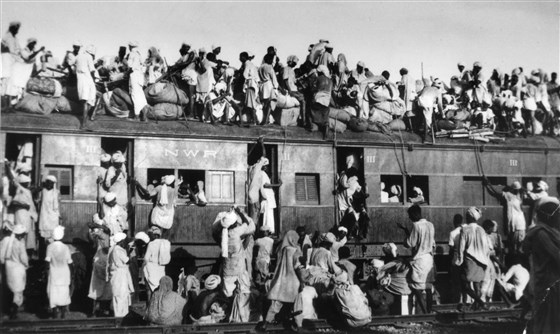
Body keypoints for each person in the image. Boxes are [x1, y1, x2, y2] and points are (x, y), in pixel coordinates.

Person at [522, 196, 560, 334]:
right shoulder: (541, 234)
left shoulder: (550, 233)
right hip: (548, 287)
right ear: (550, 216)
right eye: (558, 214)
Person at [212, 207, 255, 321]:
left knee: (228, 295)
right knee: (242, 294)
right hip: (239, 271)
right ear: (235, 223)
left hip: (227, 271)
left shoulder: (222, 235)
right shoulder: (237, 232)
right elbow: (250, 226)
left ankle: (228, 316)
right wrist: (241, 212)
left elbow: (214, 232)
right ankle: (239, 317)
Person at [258, 230, 302, 331]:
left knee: (276, 303)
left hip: (281, 279)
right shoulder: (295, 250)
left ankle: (265, 323)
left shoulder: (281, 249)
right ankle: (295, 324)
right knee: (295, 303)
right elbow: (297, 266)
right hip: (293, 280)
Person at [397, 204, 434, 314]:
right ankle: (430, 312)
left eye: (409, 215)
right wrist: (406, 230)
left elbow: (410, 243)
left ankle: (425, 313)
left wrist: (405, 238)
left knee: (416, 288)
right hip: (429, 258)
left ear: (413, 214)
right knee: (428, 288)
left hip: (419, 259)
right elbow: (421, 240)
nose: (409, 218)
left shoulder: (416, 225)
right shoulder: (430, 225)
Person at [455, 207, 490, 311]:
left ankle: (480, 303)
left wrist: (459, 261)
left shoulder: (465, 229)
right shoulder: (482, 230)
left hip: (469, 259)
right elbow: (486, 247)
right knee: (477, 285)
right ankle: (477, 308)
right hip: (482, 260)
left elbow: (461, 247)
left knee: (465, 285)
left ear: (470, 217)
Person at [483, 177, 526, 255]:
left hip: (516, 224)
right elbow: (495, 193)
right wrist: (488, 185)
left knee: (514, 247)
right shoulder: (518, 196)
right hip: (518, 224)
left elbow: (495, 192)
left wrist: (488, 184)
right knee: (516, 247)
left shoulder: (511, 195)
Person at [6, 167, 38, 251]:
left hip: (27, 215)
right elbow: (14, 202)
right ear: (23, 183)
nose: (28, 184)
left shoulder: (26, 190)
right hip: (21, 214)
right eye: (27, 183)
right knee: (21, 232)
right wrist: (23, 206)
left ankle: (25, 254)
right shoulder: (19, 189)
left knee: (27, 234)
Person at [0, 224, 28, 319]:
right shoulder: (20, 244)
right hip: (18, 269)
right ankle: (14, 311)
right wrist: (26, 265)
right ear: (20, 235)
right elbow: (23, 258)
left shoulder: (8, 241)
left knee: (10, 289)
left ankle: (9, 310)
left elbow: (2, 256)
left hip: (9, 268)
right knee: (18, 291)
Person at [5, 37, 44, 103]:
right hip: (17, 70)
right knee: (12, 87)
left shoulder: (33, 53)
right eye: (32, 44)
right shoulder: (23, 51)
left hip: (24, 73)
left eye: (34, 44)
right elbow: (28, 58)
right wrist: (39, 51)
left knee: (20, 88)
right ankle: (8, 106)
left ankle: (12, 105)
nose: (33, 45)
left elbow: (33, 63)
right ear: (28, 44)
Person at [45, 226, 72, 319]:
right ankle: (63, 313)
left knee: (53, 292)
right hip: (64, 273)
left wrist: (45, 271)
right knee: (64, 292)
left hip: (54, 273)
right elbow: (70, 262)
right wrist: (72, 274)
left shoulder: (50, 247)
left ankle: (55, 313)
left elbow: (47, 261)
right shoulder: (66, 247)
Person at [87, 216, 112, 317]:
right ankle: (98, 310)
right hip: (100, 262)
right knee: (99, 286)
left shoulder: (105, 235)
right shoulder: (101, 236)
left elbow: (92, 229)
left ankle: (100, 309)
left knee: (100, 286)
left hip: (102, 261)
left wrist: (96, 227)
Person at [107, 232, 134, 317]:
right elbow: (127, 260)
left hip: (117, 274)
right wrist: (130, 254)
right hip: (120, 275)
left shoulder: (114, 249)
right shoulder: (118, 250)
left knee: (119, 295)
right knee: (121, 295)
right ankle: (120, 315)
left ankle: (120, 314)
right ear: (121, 241)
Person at [143, 226, 171, 303]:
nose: (149, 236)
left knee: (149, 292)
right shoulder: (166, 243)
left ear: (155, 235)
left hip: (151, 270)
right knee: (160, 290)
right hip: (161, 270)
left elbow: (146, 258)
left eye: (150, 234)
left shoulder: (151, 244)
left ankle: (149, 310)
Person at [126, 41, 150, 121]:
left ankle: (136, 116)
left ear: (130, 47)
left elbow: (130, 66)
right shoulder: (139, 54)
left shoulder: (132, 54)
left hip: (134, 75)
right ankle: (144, 116)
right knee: (140, 95)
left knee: (135, 95)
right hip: (140, 76)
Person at [75, 44, 98, 128]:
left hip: (80, 80)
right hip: (87, 80)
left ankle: (84, 121)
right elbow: (92, 70)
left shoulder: (78, 56)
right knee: (88, 101)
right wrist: (94, 80)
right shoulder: (89, 57)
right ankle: (83, 124)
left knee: (85, 101)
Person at [282, 55, 306, 126]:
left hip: (294, 89)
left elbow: (294, 81)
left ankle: (302, 119)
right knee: (303, 101)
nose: (295, 64)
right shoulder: (286, 69)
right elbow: (285, 80)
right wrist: (290, 91)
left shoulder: (292, 70)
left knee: (304, 98)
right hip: (291, 90)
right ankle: (304, 121)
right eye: (294, 63)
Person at [448, 214, 467, 304]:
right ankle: (465, 301)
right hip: (465, 260)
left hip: (456, 260)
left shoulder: (452, 233)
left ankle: (458, 301)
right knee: (465, 282)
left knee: (457, 283)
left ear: (454, 221)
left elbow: (451, 250)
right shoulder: (466, 229)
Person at [1, 21, 21, 106]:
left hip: (12, 61)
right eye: (16, 28)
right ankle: (4, 104)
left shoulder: (15, 39)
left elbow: (18, 49)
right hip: (5, 60)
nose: (17, 30)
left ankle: (9, 105)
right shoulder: (7, 37)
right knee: (4, 81)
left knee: (11, 82)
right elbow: (8, 50)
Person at [259, 53, 279, 125]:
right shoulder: (269, 67)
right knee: (269, 104)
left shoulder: (260, 67)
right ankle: (266, 120)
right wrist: (276, 87)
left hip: (262, 85)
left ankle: (264, 120)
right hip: (268, 85)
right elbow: (274, 78)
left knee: (264, 104)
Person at [38, 175, 60, 241]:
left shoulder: (56, 192)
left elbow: (58, 206)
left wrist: (59, 215)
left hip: (53, 216)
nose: (49, 184)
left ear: (53, 184)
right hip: (44, 216)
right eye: (48, 182)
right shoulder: (42, 191)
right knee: (43, 236)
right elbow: (38, 201)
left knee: (53, 235)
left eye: (51, 183)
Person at [241, 52, 259, 125]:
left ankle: (254, 120)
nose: (240, 59)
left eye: (240, 57)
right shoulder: (250, 63)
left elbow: (245, 74)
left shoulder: (247, 64)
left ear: (243, 57)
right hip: (253, 84)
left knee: (251, 103)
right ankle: (255, 119)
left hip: (250, 84)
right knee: (251, 103)